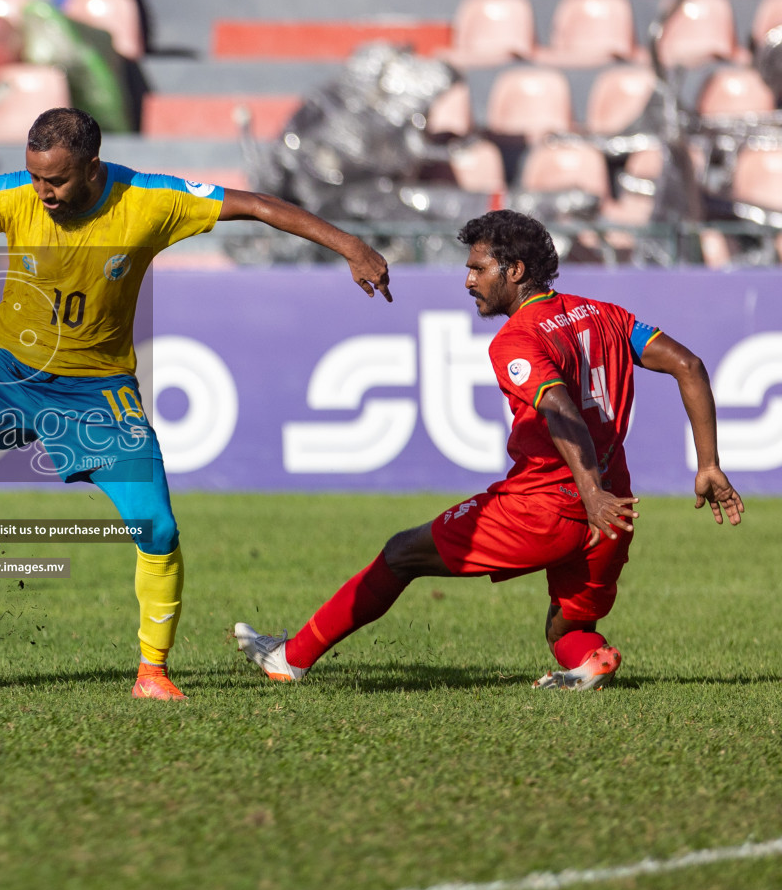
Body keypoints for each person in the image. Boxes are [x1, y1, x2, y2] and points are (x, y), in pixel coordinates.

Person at [0, 107, 393, 699]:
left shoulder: (150, 200)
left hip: (95, 393)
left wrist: (350, 246)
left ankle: (152, 671)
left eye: (56, 179)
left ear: (93, 167)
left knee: (157, 526)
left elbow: (257, 205)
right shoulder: (12, 193)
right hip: (3, 370)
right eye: (35, 175)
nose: (41, 190)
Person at [234, 209, 745, 691]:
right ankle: (592, 660)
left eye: (478, 268)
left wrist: (586, 494)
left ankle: (290, 658)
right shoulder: (604, 315)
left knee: (400, 554)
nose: (468, 280)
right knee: (568, 629)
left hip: (549, 506)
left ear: (515, 270)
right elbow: (690, 365)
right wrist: (708, 465)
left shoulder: (516, 340)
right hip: (614, 508)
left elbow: (563, 412)